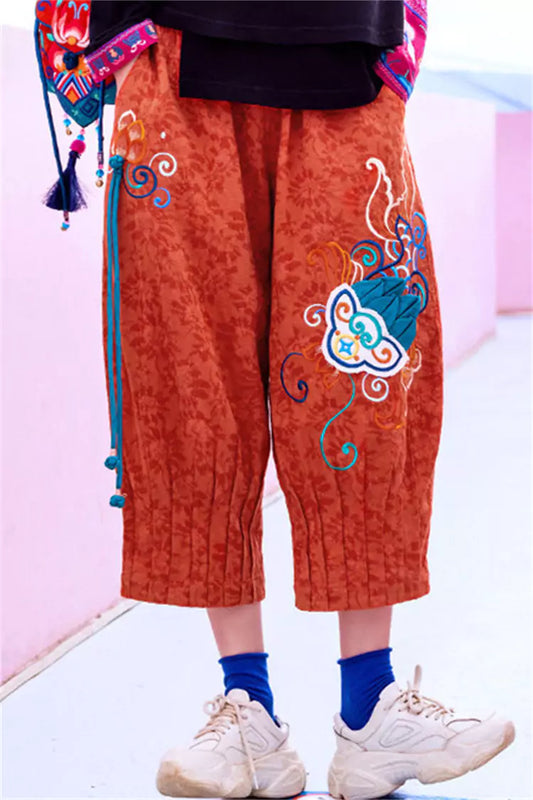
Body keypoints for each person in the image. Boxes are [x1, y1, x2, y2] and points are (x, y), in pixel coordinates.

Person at [82, 2, 515, 797]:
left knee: (365, 378)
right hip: (174, 56)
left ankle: (372, 706)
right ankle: (246, 710)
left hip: (349, 56)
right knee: (189, 379)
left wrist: (401, 47)